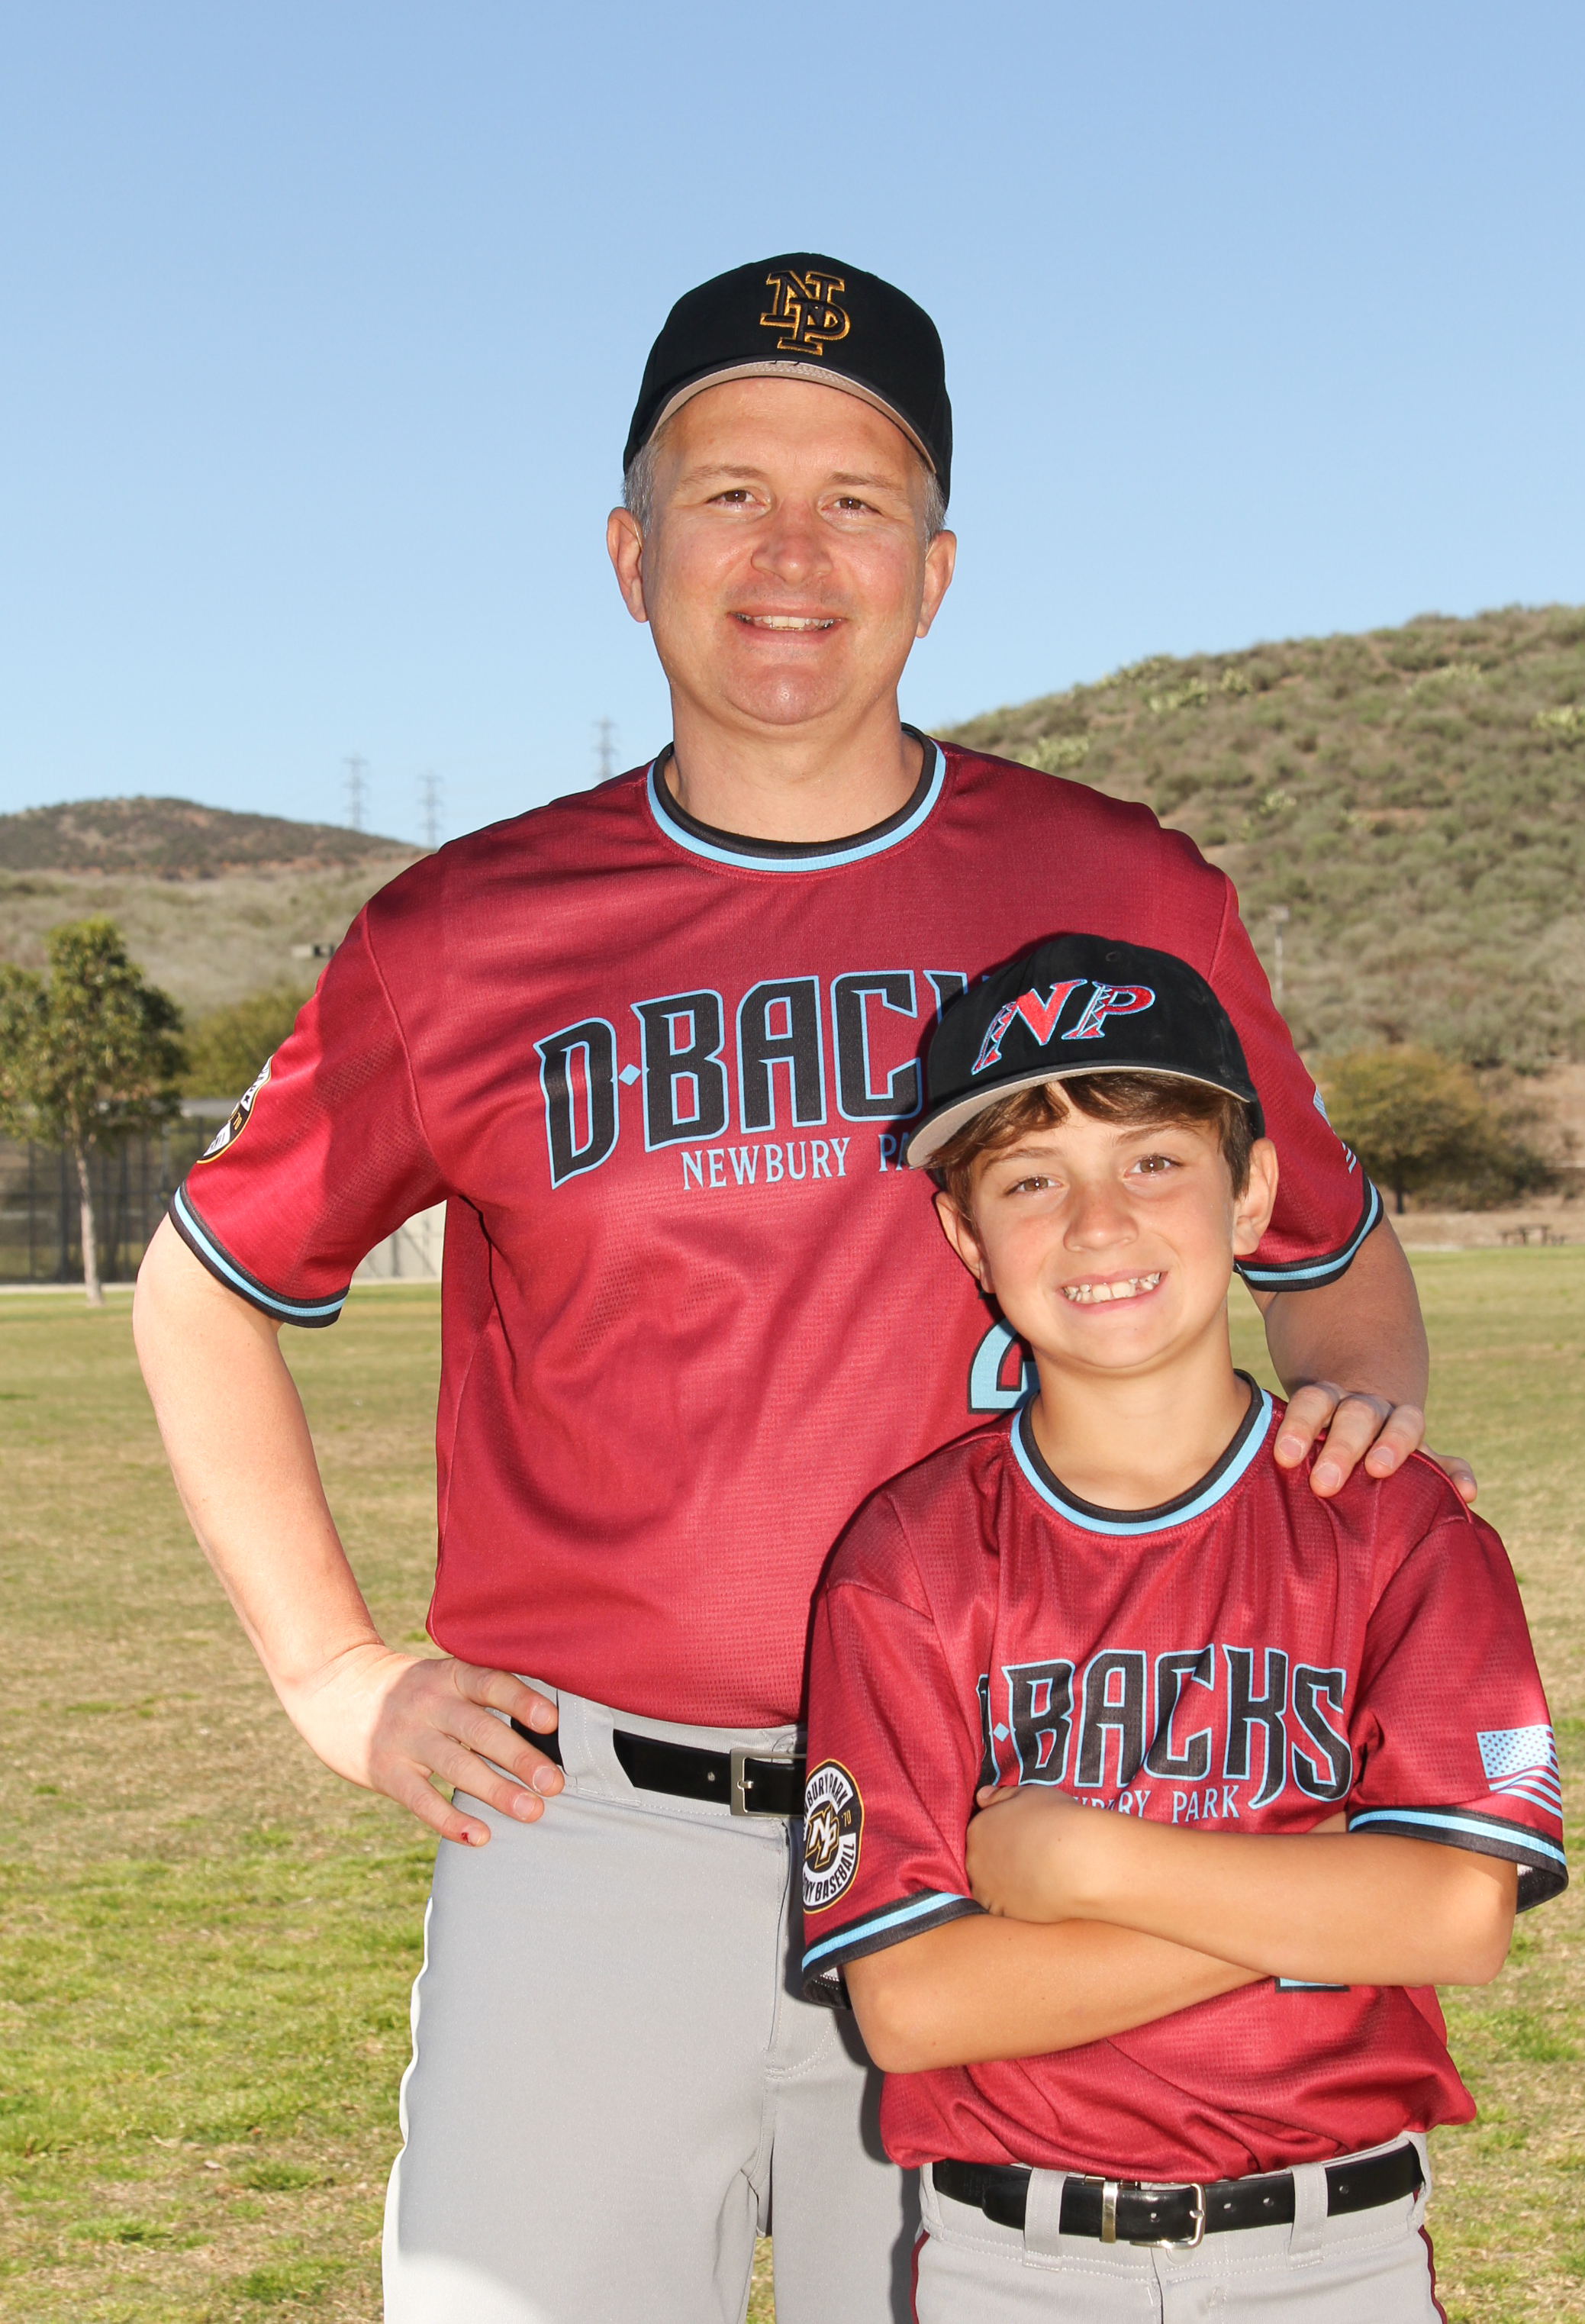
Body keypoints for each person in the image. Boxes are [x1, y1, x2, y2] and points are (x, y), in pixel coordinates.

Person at [133, 255, 1468, 2324]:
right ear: (629, 555)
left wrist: (1340, 1468)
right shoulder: (460, 933)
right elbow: (205, 1285)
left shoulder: (1120, 888)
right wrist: (329, 1668)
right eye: (728, 492)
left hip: (1002, 1817)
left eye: (855, 500)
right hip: (585, 1823)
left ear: (932, 572)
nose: (788, 552)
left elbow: (1325, 1251)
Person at [801, 934, 1566, 2322]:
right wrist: (1334, 1889)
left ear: (1253, 1190)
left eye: (1153, 1159)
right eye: (1031, 1180)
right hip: (1014, 2258)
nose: (1100, 1224)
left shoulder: (1395, 1523)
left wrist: (1088, 1860)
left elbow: (1462, 1915)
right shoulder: (908, 1558)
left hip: (1335, 2250)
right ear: (966, 1237)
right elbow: (914, 2005)